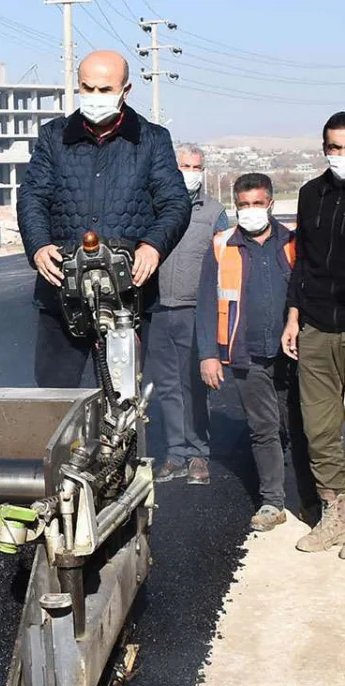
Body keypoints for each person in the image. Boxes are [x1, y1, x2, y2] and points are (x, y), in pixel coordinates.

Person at [18, 50, 191, 388]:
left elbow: (174, 202)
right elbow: (32, 196)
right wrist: (39, 246)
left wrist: (153, 247)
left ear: (125, 91)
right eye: (88, 88)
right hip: (61, 292)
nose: (95, 98)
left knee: (123, 398)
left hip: (128, 297)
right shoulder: (54, 137)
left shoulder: (152, 139)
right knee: (55, 397)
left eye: (105, 90)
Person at [197, 174, 298, 532]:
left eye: (257, 204)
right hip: (245, 352)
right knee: (263, 428)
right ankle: (273, 502)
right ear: (235, 206)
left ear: (271, 205)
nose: (250, 211)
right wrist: (208, 354)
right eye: (243, 205)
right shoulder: (222, 245)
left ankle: (318, 498)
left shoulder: (293, 242)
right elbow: (207, 302)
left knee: (300, 425)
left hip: (293, 351)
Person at [281, 111, 345, 553]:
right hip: (317, 325)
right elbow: (302, 261)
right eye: (333, 147)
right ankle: (334, 513)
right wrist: (293, 317)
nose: (338, 155)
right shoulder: (310, 194)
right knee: (319, 427)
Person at [147, 145, 230, 484]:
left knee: (194, 384)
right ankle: (175, 453)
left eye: (197, 166)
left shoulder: (214, 213)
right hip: (158, 310)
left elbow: (226, 266)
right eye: (185, 165)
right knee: (167, 386)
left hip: (196, 312)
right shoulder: (154, 207)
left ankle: (199, 454)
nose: (191, 172)